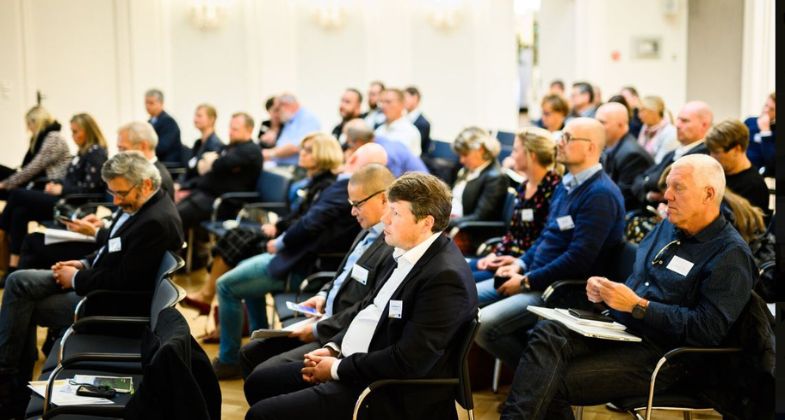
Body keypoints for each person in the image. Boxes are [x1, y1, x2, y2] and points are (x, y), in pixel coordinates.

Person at [500, 154, 756, 419]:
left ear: (708, 194)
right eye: (668, 186)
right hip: (624, 329)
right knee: (547, 332)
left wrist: (639, 306)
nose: (666, 195)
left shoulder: (730, 254)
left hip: (668, 356)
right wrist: (608, 294)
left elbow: (708, 330)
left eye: (678, 187)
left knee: (547, 382)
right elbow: (641, 283)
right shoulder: (668, 227)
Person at [244, 172, 478, 420]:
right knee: (259, 381)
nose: (385, 219)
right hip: (358, 361)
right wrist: (335, 347)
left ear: (426, 223)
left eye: (396, 213)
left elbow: (408, 361)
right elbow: (369, 308)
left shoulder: (444, 279)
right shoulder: (404, 251)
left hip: (386, 390)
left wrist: (337, 368)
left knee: (261, 415)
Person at [0, 152, 184, 417]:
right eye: (112, 192)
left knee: (22, 303)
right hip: (97, 282)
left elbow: (123, 281)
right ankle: (12, 376)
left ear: (145, 184)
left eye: (121, 193)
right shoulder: (144, 205)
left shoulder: (156, 221)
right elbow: (113, 247)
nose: (116, 200)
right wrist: (82, 264)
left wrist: (75, 278)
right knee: (18, 281)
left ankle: (9, 378)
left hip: (109, 304)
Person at [210, 144, 386, 378]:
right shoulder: (366, 227)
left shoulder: (384, 238)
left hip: (302, 268)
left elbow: (368, 304)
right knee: (251, 345)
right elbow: (343, 272)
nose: (353, 212)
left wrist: (281, 240)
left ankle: (228, 359)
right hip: (309, 280)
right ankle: (249, 339)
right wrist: (324, 295)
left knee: (227, 285)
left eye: (357, 205)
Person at [474, 118, 625, 369]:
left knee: (484, 323)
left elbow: (578, 260)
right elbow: (547, 237)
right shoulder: (566, 186)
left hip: (563, 289)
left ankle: (541, 383)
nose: (559, 143)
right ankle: (536, 381)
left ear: (590, 147)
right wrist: (520, 264)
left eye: (567, 138)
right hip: (537, 277)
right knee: (467, 296)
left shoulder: (600, 194)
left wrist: (526, 280)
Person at [181, 133, 344, 313]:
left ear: (323, 154)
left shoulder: (326, 186)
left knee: (238, 241)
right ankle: (213, 299)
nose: (301, 153)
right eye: (303, 149)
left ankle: (209, 296)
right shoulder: (314, 182)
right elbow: (297, 215)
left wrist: (279, 229)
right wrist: (279, 225)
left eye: (308, 150)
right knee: (235, 236)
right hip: (286, 234)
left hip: (296, 250)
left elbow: (305, 222)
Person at [0, 113, 108, 275]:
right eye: (71, 132)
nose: (73, 136)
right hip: (63, 199)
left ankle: (1, 230)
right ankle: (13, 268)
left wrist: (62, 189)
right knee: (18, 213)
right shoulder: (82, 153)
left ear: (88, 130)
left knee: (16, 194)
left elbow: (90, 189)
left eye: (76, 132)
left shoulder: (96, 153)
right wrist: (56, 184)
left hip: (73, 206)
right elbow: (71, 180)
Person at [470, 127, 562, 282]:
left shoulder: (554, 189)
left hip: (522, 266)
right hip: (506, 258)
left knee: (459, 281)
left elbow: (546, 239)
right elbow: (512, 232)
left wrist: (516, 261)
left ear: (531, 155)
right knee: (455, 270)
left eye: (515, 151)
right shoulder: (524, 186)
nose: (511, 157)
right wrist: (495, 254)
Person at [176, 112, 263, 232]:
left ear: (249, 129)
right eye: (230, 128)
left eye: (235, 129)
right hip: (204, 195)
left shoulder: (251, 151)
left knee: (176, 218)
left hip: (224, 202)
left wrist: (213, 162)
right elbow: (209, 166)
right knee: (171, 211)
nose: (230, 132)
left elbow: (218, 164)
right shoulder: (231, 147)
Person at [631, 100, 712, 207]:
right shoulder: (673, 153)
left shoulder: (702, 157)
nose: (677, 125)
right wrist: (648, 192)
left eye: (685, 121)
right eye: (678, 119)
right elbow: (638, 179)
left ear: (704, 125)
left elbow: (656, 182)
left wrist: (647, 183)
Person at [0, 106, 71, 199]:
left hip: (46, 183)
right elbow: (28, 167)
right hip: (36, 178)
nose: (28, 128)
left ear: (36, 122)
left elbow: (34, 168)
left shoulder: (54, 138)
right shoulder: (40, 138)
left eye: (29, 124)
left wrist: (5, 184)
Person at [596, 102, 654, 210]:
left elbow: (623, 199)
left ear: (621, 125)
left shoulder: (632, 155)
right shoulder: (609, 147)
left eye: (602, 122)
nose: (596, 127)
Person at [449, 127, 509, 227]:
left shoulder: (496, 178)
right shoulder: (466, 169)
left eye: (465, 154)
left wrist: (444, 223)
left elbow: (479, 217)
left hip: (465, 231)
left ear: (480, 150)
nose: (462, 160)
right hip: (451, 220)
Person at [705, 119, 769, 213]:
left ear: (736, 149)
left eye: (717, 152)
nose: (712, 157)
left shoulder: (754, 187)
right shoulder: (715, 173)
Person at [342, 118, 427, 177]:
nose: (351, 149)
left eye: (351, 146)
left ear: (359, 142)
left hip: (421, 191)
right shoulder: (378, 139)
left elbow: (392, 182)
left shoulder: (385, 153)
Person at [262, 94, 321, 168]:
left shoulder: (307, 119)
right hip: (282, 166)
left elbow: (296, 147)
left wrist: (269, 153)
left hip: (297, 168)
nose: (278, 113)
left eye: (278, 109)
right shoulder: (289, 120)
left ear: (286, 105)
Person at [177, 103, 224, 194]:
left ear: (211, 119)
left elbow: (205, 176)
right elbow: (190, 169)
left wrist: (183, 187)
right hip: (189, 186)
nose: (195, 119)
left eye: (199, 116)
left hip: (199, 190)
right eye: (195, 115)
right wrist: (179, 183)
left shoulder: (215, 145)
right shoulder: (198, 143)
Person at [374, 88, 422, 156]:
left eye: (388, 102)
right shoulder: (379, 130)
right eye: (381, 102)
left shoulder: (411, 133)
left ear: (402, 104)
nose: (383, 106)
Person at [637, 95, 679, 164]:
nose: (639, 115)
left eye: (642, 111)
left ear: (654, 112)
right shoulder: (645, 127)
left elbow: (660, 164)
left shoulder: (670, 133)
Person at [144, 88, 182, 163]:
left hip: (167, 164)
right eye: (146, 103)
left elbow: (162, 147)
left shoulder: (169, 122)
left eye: (151, 103)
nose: (148, 106)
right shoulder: (149, 122)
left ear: (161, 103)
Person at [744, 92, 775, 177]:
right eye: (766, 105)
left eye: (772, 109)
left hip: (761, 174)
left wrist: (765, 132)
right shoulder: (750, 122)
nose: (766, 110)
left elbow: (771, 161)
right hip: (742, 168)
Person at [403, 86, 432, 154]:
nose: (404, 101)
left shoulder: (423, 123)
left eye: (406, 98)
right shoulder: (403, 118)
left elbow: (415, 146)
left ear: (415, 99)